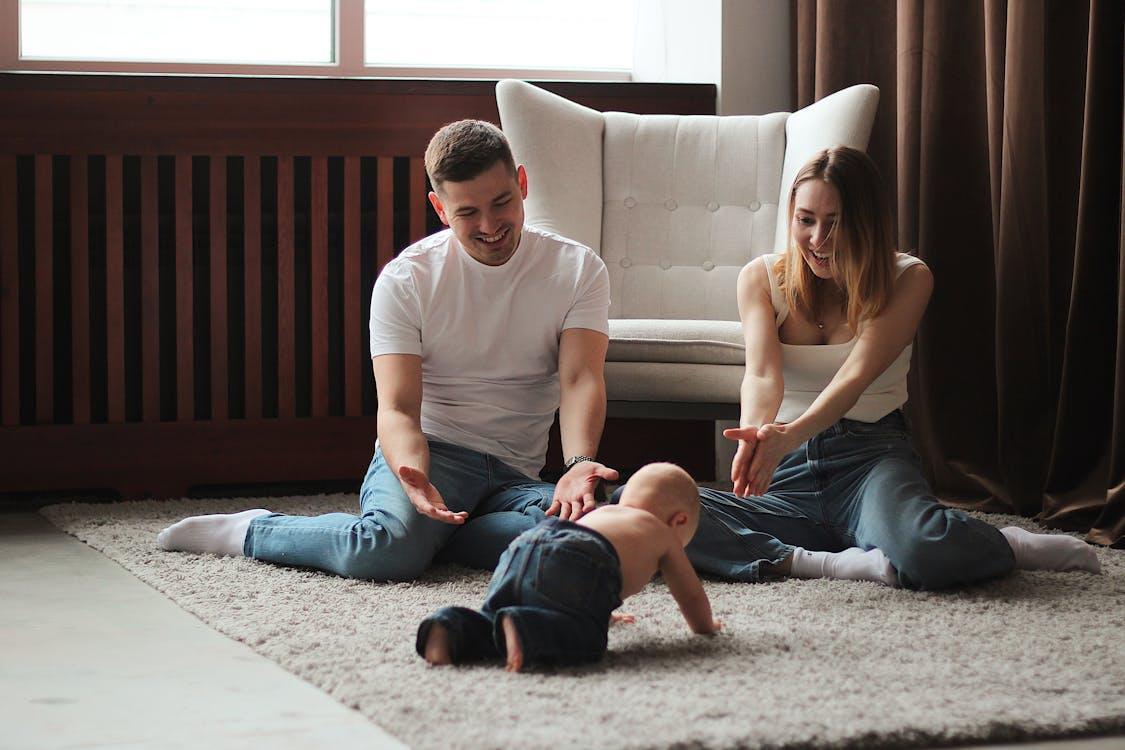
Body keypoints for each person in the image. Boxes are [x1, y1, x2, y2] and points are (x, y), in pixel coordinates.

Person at [156, 119, 618, 580]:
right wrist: (413, 474)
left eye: (501, 202)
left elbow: (580, 379)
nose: (490, 225)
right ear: (440, 208)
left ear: (521, 183)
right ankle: (253, 530)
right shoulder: (408, 279)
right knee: (383, 551)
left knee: (584, 528)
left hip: (517, 474)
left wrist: (577, 465)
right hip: (434, 455)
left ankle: (439, 535)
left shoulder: (577, 269)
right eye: (467, 212)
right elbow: (397, 409)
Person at [680, 146, 1101, 590]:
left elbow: (855, 376)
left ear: (867, 222)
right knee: (645, 505)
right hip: (788, 471)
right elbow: (763, 375)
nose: (817, 239)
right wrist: (757, 437)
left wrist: (790, 434)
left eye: (835, 221)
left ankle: (1007, 543)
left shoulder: (908, 278)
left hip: (870, 457)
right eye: (805, 220)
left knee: (926, 550)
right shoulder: (760, 277)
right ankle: (821, 562)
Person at [417, 462, 722, 671]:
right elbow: (690, 595)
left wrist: (605, 610)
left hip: (526, 545)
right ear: (679, 521)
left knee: (493, 621)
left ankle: (451, 627)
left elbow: (582, 580)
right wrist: (705, 628)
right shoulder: (662, 533)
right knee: (587, 638)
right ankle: (527, 629)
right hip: (581, 556)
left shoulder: (607, 513)